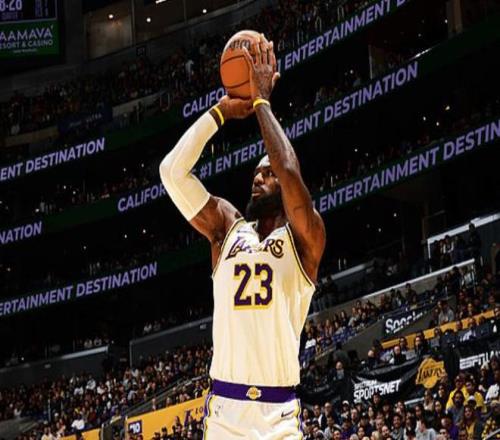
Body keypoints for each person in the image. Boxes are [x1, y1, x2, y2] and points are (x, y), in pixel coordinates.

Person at [159, 35, 326, 439]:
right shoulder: (227, 228)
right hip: (225, 413)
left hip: (278, 415)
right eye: (255, 173)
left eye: (266, 174)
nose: (258, 178)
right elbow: (171, 172)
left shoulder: (306, 238)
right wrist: (219, 113)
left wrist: (261, 102)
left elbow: (288, 169)